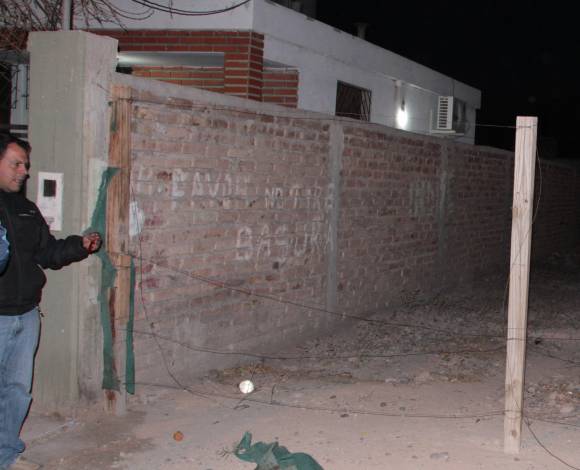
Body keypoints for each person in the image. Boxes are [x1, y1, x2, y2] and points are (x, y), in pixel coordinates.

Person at [0, 133, 102, 470]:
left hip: (26, 314)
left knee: (17, 390)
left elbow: (46, 252)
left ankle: (6, 455)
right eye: (16, 164)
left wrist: (79, 245)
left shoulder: (26, 209)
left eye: (26, 165)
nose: (24, 171)